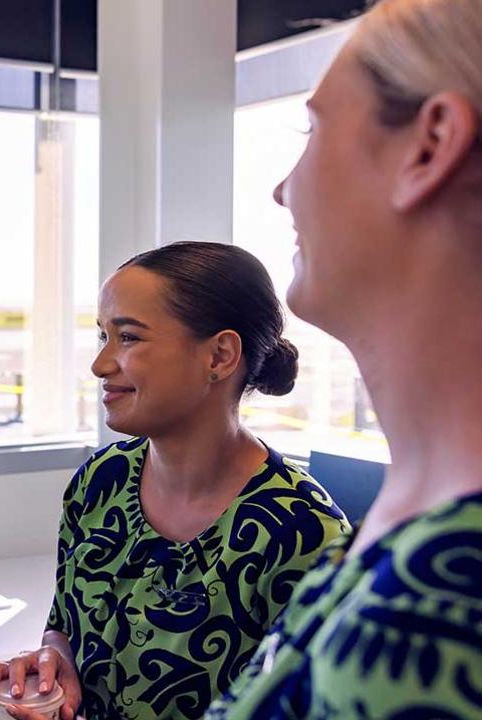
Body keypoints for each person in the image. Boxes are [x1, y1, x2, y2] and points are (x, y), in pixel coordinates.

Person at [206, 0, 482, 716]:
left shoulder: (442, 609)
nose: (281, 187)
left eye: (313, 127)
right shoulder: (417, 521)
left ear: (428, 147)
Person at [0, 241, 351, 720]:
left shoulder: (302, 533)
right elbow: (64, 627)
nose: (100, 364)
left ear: (219, 355)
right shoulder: (101, 480)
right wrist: (56, 663)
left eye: (129, 338)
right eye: (103, 337)